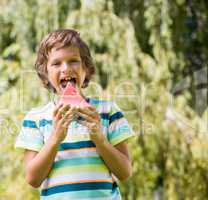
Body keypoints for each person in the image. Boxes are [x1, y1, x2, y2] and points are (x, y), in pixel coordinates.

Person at [15, 29, 135, 200]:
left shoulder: (108, 111)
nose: (66, 68)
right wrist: (55, 137)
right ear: (46, 73)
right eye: (56, 63)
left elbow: (125, 172)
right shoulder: (35, 118)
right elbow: (33, 179)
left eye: (74, 61)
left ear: (86, 68)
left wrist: (99, 139)